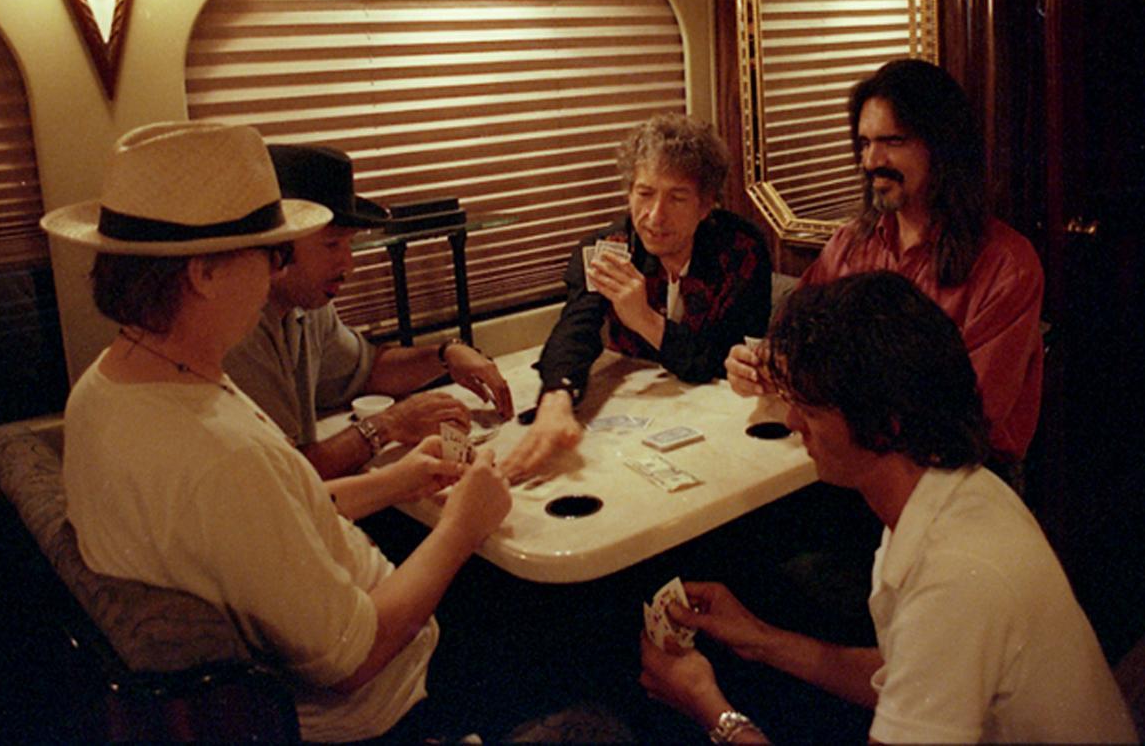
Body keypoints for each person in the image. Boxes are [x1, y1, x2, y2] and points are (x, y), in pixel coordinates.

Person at [41, 121, 512, 741]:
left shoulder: (111, 386)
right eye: (270, 253)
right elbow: (352, 659)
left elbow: (267, 510)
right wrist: (462, 525)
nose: (274, 272)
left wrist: (399, 480)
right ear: (204, 273)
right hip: (378, 706)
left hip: (360, 630)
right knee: (542, 620)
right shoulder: (217, 454)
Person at [640, 273, 1137, 744]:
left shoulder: (956, 575)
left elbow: (932, 646)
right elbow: (909, 677)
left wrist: (710, 707)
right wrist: (761, 639)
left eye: (810, 409)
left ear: (887, 424)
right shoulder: (952, 491)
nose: (792, 422)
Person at [725, 58, 1044, 471]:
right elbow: (792, 339)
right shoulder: (849, 245)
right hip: (857, 467)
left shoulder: (1007, 265)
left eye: (892, 141)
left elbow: (965, 416)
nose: (871, 160)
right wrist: (761, 365)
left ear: (942, 146)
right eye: (864, 143)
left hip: (959, 475)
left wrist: (821, 381)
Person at [503, 113, 772, 482]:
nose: (654, 216)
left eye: (677, 197)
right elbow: (575, 330)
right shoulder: (610, 248)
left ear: (706, 206)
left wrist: (644, 319)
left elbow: (725, 358)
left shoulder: (742, 249)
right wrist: (556, 400)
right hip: (639, 425)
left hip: (726, 424)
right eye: (644, 194)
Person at [224, 143, 514, 483]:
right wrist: (389, 424)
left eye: (349, 244)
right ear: (278, 246)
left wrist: (446, 354)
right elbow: (286, 474)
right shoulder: (239, 327)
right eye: (332, 244)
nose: (348, 262)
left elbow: (367, 369)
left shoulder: (309, 305)